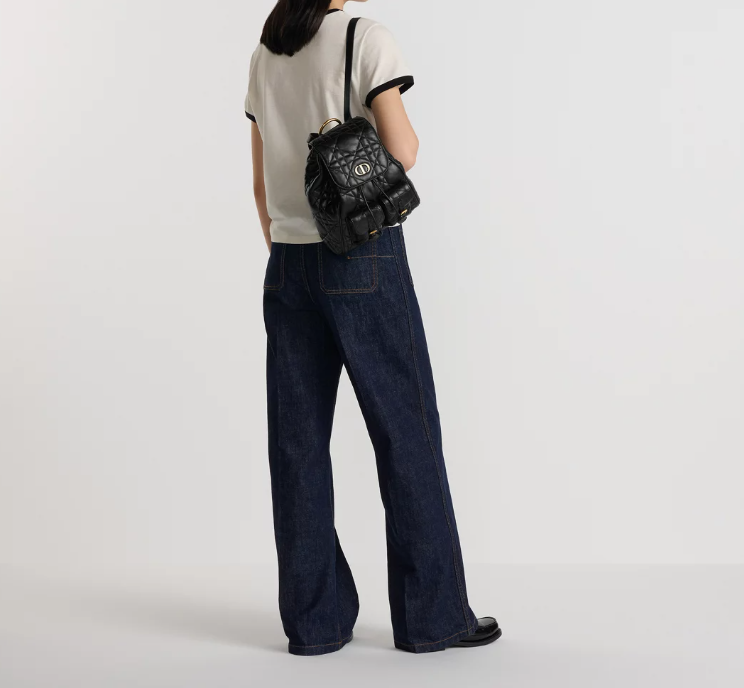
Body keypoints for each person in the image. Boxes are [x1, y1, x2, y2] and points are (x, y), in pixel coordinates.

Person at [245, 0, 500, 656]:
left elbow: (261, 186)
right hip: (360, 255)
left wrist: (290, 249)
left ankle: (316, 623)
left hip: (287, 264)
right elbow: (404, 150)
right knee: (406, 430)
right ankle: (434, 617)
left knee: (297, 446)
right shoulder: (365, 38)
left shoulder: (266, 53)